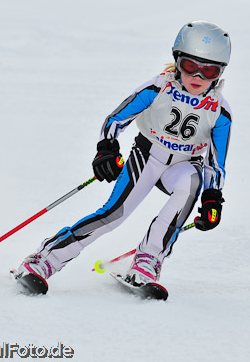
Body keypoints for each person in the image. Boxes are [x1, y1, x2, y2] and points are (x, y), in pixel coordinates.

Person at [18, 20, 232, 287]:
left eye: (208, 70)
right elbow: (115, 120)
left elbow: (216, 162)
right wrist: (106, 150)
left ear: (219, 73)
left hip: (183, 166)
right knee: (114, 214)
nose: (198, 77)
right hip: (148, 157)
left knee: (192, 181)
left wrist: (212, 197)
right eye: (191, 66)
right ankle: (46, 259)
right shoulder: (158, 89)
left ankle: (148, 259)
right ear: (177, 61)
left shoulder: (220, 112)